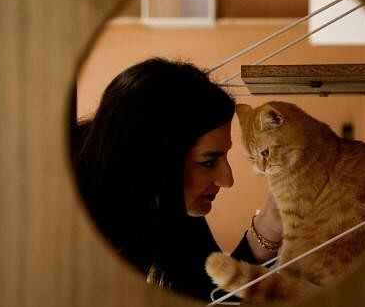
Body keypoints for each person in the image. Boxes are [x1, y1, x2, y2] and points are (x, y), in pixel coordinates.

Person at [71, 58, 282, 301]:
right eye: (208, 162)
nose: (227, 180)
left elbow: (207, 294)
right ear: (154, 159)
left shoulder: (168, 201)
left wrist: (270, 225)